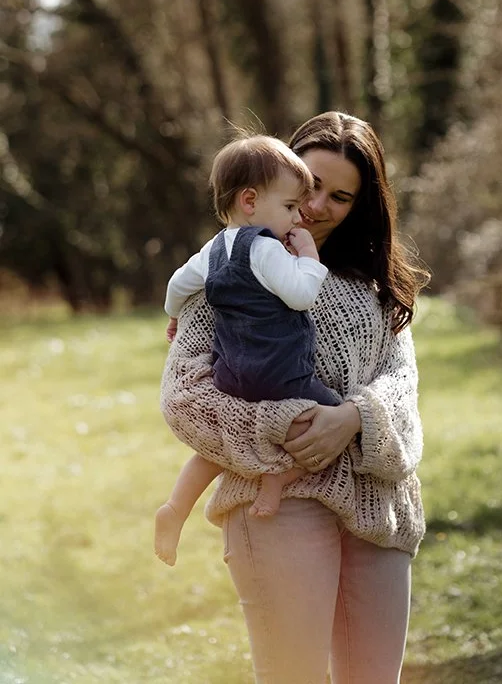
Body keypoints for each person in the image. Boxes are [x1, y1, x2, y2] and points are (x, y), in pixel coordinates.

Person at [160, 111, 427, 684]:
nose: (315, 205)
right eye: (309, 183)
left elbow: (403, 385)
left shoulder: (377, 289)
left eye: (340, 196)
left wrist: (354, 417)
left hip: (377, 505)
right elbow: (185, 400)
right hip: (276, 505)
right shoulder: (227, 274)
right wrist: (287, 426)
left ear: (363, 206)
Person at [155, 135, 341, 566]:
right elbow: (300, 295)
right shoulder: (265, 247)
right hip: (280, 371)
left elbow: (176, 285)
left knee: (216, 448)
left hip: (231, 374)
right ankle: (275, 481)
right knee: (329, 427)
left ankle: (175, 508)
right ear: (251, 200)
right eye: (292, 207)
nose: (299, 217)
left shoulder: (213, 250)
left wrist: (174, 315)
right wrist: (309, 257)